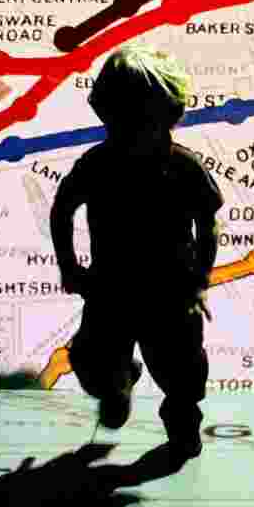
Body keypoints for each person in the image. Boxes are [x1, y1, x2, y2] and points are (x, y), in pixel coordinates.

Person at [49, 45, 223, 462]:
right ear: (106, 115)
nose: (131, 131)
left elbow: (208, 221)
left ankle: (182, 424)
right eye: (120, 119)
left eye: (143, 119)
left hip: (171, 292)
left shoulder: (184, 167)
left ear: (168, 115)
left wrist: (200, 279)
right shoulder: (96, 164)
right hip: (110, 288)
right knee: (91, 362)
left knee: (181, 374)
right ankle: (117, 379)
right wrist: (70, 266)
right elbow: (63, 209)